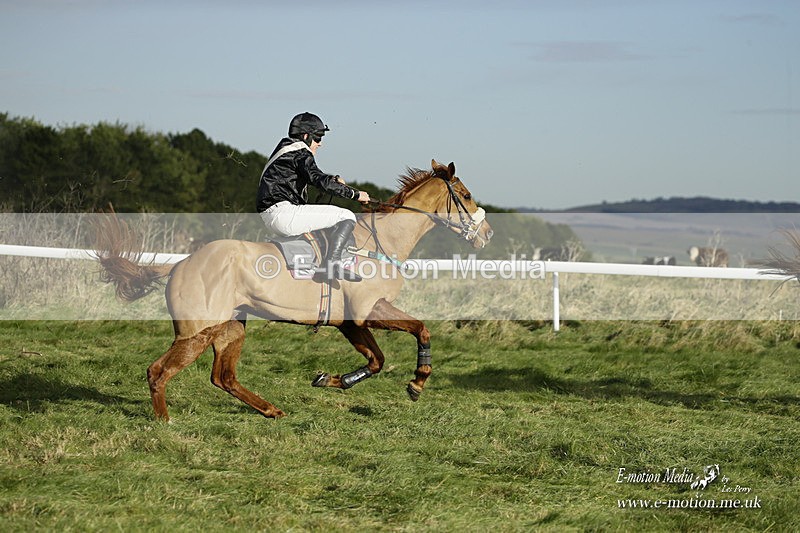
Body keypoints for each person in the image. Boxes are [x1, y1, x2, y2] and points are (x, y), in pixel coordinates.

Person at [257, 112, 370, 282]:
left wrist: (333, 180)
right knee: (347, 216)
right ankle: (333, 266)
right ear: (305, 136)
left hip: (273, 214)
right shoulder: (300, 151)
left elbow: (314, 176)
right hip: (284, 214)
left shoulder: (286, 149)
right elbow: (317, 179)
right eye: (318, 138)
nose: (320, 143)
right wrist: (355, 194)